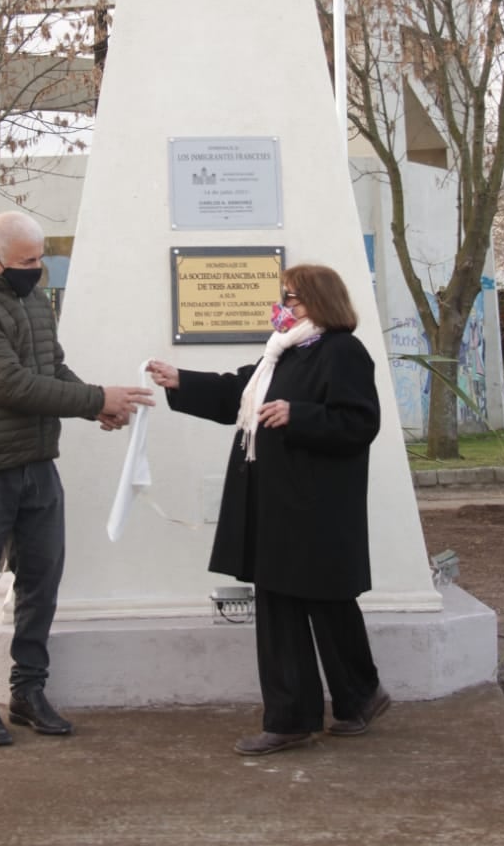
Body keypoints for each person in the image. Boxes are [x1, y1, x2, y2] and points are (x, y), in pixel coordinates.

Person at [148, 262, 387, 756]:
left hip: (317, 507)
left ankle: (360, 695)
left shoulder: (342, 351)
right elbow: (241, 391)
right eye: (284, 297)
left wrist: (299, 415)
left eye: (292, 299)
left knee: (328, 603)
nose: (283, 307)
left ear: (320, 302)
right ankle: (292, 718)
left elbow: (359, 422)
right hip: (276, 503)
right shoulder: (284, 352)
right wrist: (180, 380)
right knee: (279, 606)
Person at [0, 210, 153, 747]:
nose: (38, 271)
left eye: (40, 260)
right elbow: (9, 384)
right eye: (28, 263)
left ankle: (28, 692)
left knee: (42, 582)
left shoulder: (31, 299)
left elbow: (50, 368)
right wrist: (97, 397)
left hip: (36, 465)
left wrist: (94, 406)